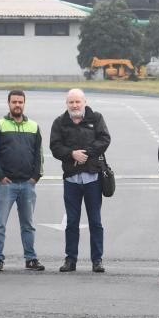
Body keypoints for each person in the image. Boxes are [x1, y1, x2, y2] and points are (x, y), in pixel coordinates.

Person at [50, 88, 111, 273]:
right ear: (66, 103)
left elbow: (105, 139)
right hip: (71, 180)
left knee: (95, 221)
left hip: (93, 178)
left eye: (78, 102)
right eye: (71, 102)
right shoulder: (60, 122)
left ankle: (97, 259)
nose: (75, 105)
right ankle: (70, 259)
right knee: (72, 222)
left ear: (84, 101)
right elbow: (55, 146)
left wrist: (86, 153)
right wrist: (71, 154)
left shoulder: (96, 118)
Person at [0, 89, 45, 272]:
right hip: (6, 184)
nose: (17, 105)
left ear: (24, 103)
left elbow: (39, 154)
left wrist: (36, 177)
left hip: (27, 184)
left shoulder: (34, 127)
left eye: (20, 102)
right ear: (8, 103)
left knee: (28, 224)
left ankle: (31, 258)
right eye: (14, 102)